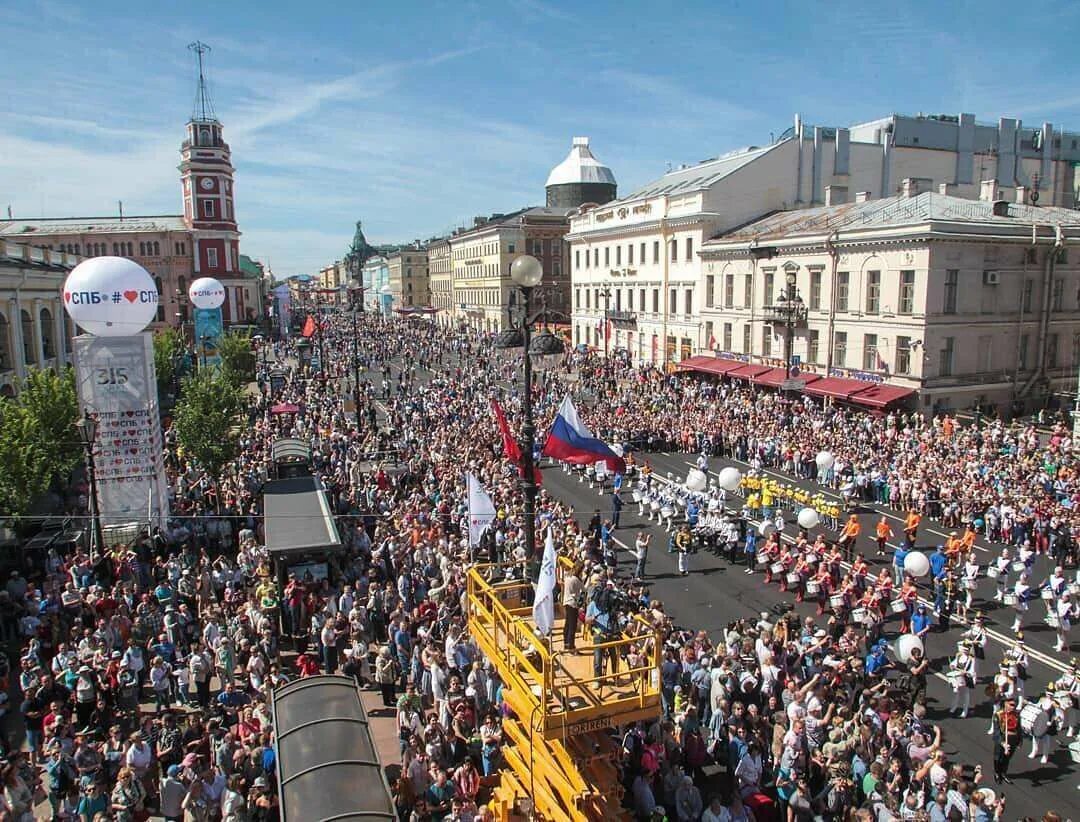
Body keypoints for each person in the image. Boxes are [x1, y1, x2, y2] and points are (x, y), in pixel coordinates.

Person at [991, 696, 1021, 784]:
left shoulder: (1016, 715)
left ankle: (1003, 773)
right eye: (1011, 705)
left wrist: (1019, 740)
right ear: (1005, 704)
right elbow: (996, 731)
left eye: (1014, 705)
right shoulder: (998, 715)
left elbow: (1018, 728)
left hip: (1013, 739)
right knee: (998, 757)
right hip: (1002, 738)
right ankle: (997, 773)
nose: (1013, 707)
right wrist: (1003, 743)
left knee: (1007, 758)